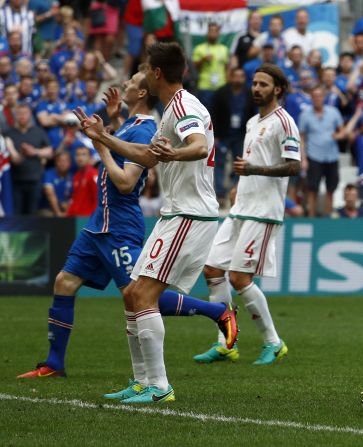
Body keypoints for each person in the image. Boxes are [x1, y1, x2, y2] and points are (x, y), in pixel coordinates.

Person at [19, 69, 237, 383]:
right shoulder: (131, 125)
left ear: (143, 93)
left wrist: (101, 146)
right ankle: (54, 362)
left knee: (139, 295)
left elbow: (125, 182)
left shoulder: (145, 128)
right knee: (64, 282)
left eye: (132, 83)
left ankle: (216, 312)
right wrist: (113, 122)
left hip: (120, 225)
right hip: (99, 223)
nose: (124, 84)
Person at [73, 43, 233, 403]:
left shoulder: (183, 106)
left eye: (145, 68)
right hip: (175, 212)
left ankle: (159, 386)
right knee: (132, 294)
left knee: (144, 294)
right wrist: (103, 137)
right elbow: (147, 155)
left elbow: (197, 144)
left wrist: (175, 152)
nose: (142, 72)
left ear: (156, 74)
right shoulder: (170, 109)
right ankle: (142, 381)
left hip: (190, 215)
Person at [196, 63, 300, 366]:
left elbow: (294, 165)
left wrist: (254, 171)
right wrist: (241, 184)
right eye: (254, 83)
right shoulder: (254, 121)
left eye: (263, 84)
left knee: (240, 277)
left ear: (277, 89)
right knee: (212, 269)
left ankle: (273, 341)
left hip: (264, 212)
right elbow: (250, 161)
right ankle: (226, 342)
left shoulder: (285, 122)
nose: (256, 88)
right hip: (242, 207)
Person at [211, 67, 257, 203]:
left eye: (241, 76)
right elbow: (214, 114)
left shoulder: (249, 94)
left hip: (241, 135)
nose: (238, 79)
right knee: (219, 163)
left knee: (239, 164)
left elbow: (254, 114)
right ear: (230, 77)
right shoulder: (221, 93)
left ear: (244, 78)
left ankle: (237, 191)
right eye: (235, 76)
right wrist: (215, 135)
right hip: (223, 134)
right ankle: (220, 194)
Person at [299, 85, 344, 217]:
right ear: (311, 98)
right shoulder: (305, 115)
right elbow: (301, 138)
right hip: (314, 155)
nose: (317, 99)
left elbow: (342, 131)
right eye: (315, 96)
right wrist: (303, 158)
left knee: (331, 188)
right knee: (312, 188)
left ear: (323, 97)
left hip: (332, 155)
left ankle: (327, 217)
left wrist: (339, 135)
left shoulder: (334, 112)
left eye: (320, 96)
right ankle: (312, 217)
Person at [7, 103, 53, 215]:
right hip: (15, 181)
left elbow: (50, 152)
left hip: (35, 180)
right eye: (19, 114)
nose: (22, 116)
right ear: (15, 116)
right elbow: (12, 159)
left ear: (30, 115)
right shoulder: (9, 134)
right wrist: (21, 154)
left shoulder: (38, 131)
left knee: (32, 213)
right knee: (16, 213)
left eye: (25, 113)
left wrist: (35, 152)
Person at [192, 22, 229, 107]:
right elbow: (194, 67)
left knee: (220, 113)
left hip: (221, 86)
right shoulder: (199, 48)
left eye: (215, 31)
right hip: (205, 87)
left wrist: (227, 84)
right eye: (211, 31)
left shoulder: (224, 49)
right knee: (206, 114)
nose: (213, 33)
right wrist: (203, 59)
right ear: (207, 33)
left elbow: (227, 68)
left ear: (219, 33)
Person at [65, 145, 98, 217]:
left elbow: (98, 198)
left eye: (84, 155)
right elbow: (75, 198)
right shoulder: (76, 176)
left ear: (90, 158)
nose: (80, 158)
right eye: (78, 155)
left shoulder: (94, 174)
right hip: (75, 218)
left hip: (88, 218)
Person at [38, 149, 72, 217]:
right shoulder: (48, 174)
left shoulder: (72, 175)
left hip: (67, 208)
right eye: (60, 161)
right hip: (48, 209)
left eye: (65, 161)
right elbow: (50, 194)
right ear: (55, 162)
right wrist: (58, 213)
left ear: (70, 163)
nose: (63, 164)